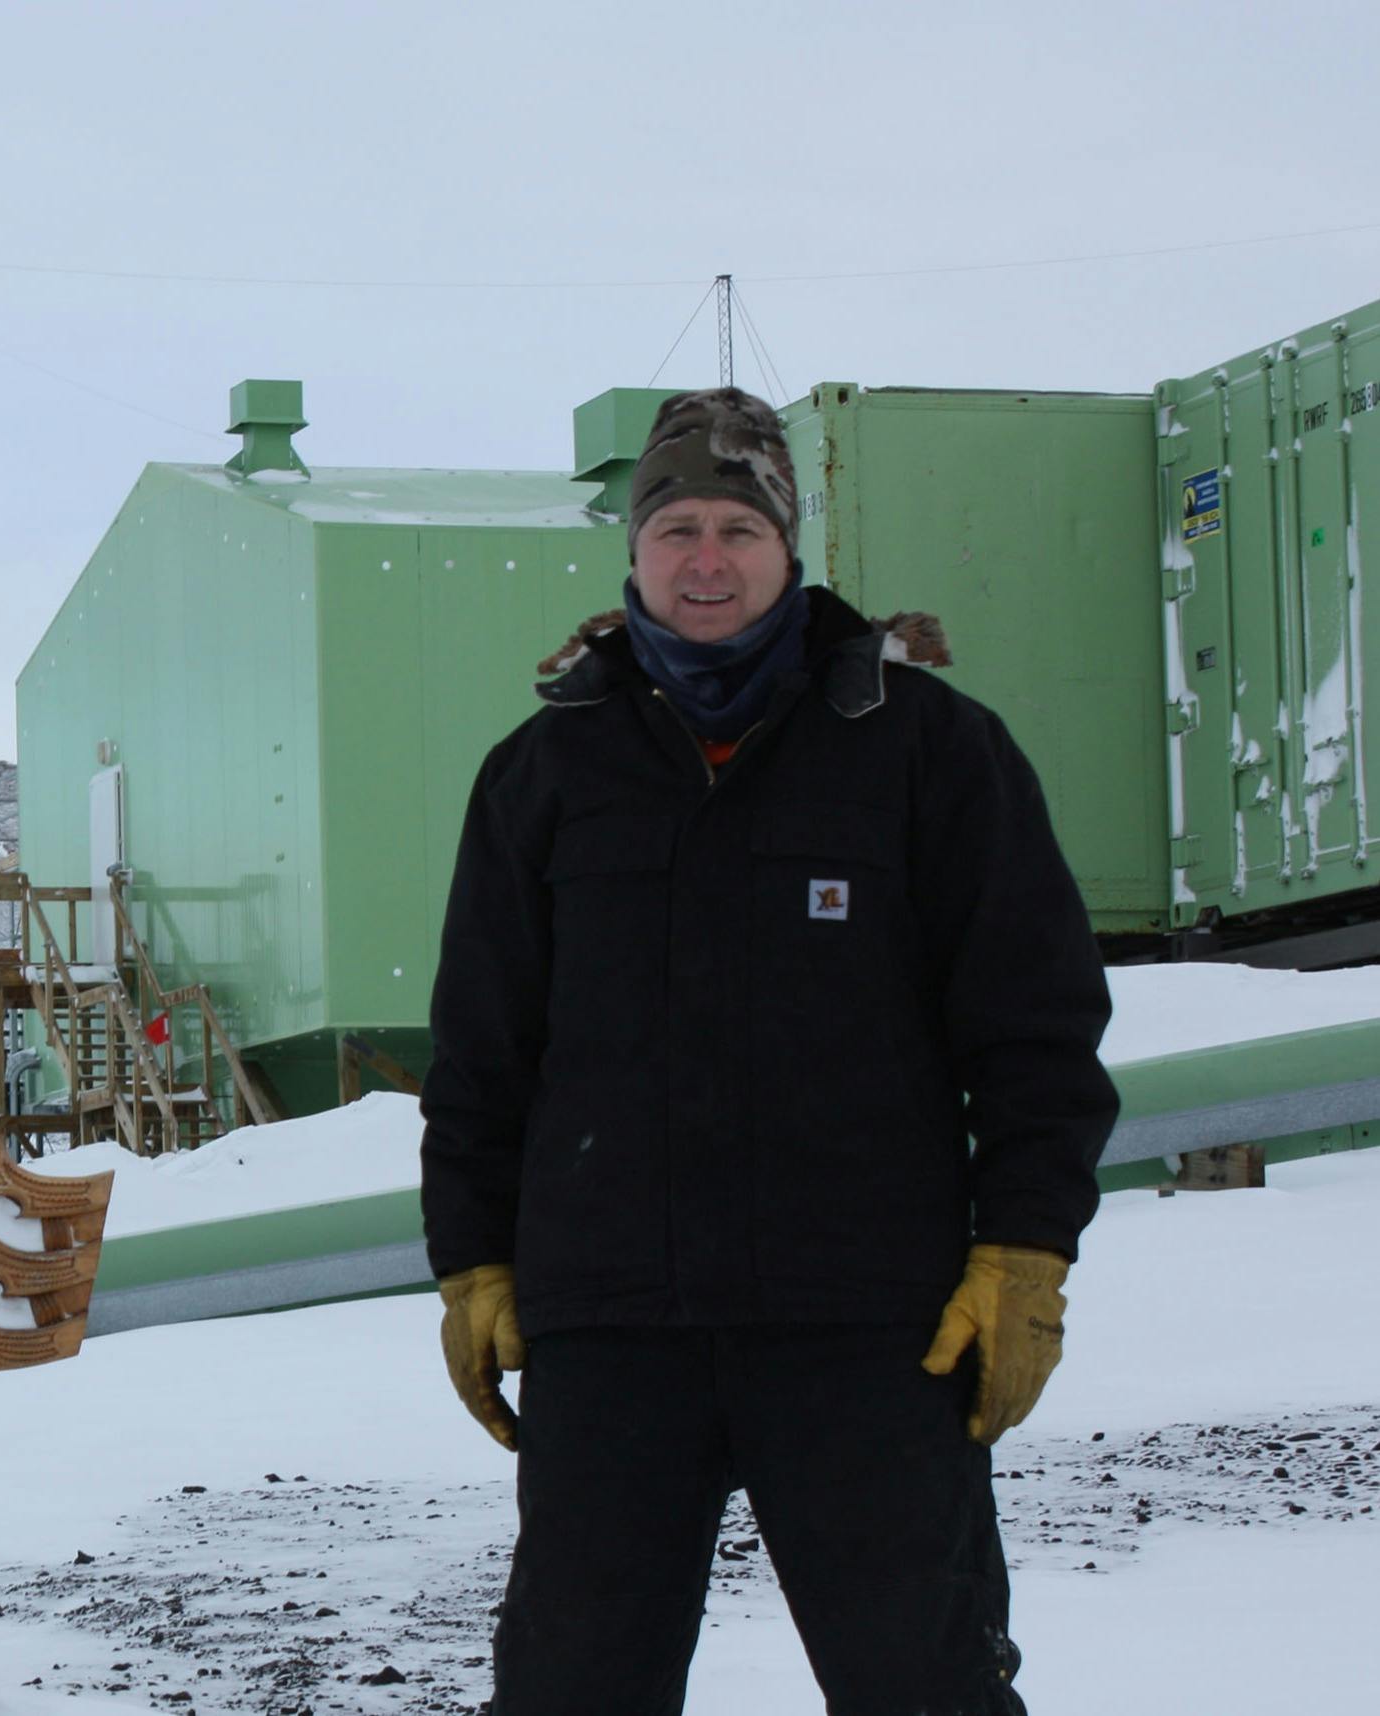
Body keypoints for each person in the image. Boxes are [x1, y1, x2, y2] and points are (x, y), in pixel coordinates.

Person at [416, 388, 1119, 1714]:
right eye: (675, 526)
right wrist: (474, 1256)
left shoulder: (929, 752)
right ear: (632, 555)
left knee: (928, 1687)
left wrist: (1025, 1248)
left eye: (738, 527)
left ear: (791, 547)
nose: (705, 559)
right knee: (571, 1693)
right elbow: (483, 1056)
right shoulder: (545, 772)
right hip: (614, 1335)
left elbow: (1036, 1029)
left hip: (868, 1332)